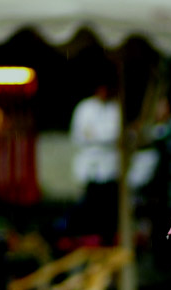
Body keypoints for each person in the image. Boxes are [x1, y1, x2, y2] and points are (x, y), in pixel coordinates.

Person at [68, 67, 121, 245]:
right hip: (91, 169)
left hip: (110, 169)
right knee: (90, 211)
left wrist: (99, 136)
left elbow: (116, 134)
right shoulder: (85, 108)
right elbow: (81, 135)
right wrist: (103, 136)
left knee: (109, 213)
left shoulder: (115, 108)